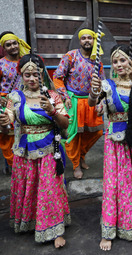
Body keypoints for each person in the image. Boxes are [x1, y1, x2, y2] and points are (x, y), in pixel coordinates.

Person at [0, 53, 70, 248]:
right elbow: (8, 122)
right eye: (27, 75)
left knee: (49, 190)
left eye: (35, 74)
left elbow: (65, 124)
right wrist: (5, 123)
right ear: (21, 75)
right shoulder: (15, 97)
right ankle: (32, 221)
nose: (31, 79)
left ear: (42, 74)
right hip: (24, 152)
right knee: (29, 188)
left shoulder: (52, 96)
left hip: (49, 149)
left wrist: (52, 111)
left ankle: (56, 229)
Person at [90, 44, 132, 251]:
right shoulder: (107, 85)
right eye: (115, 61)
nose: (119, 64)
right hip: (115, 143)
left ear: (131, 61)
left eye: (123, 60)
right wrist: (92, 92)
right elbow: (94, 104)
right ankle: (109, 229)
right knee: (116, 183)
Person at [53, 28, 105, 179]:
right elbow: (57, 77)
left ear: (94, 41)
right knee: (74, 134)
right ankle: (76, 164)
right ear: (80, 41)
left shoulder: (97, 61)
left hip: (90, 101)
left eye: (90, 38)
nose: (87, 40)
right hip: (73, 100)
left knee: (96, 131)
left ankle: (82, 154)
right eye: (84, 38)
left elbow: (102, 84)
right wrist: (64, 96)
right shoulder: (71, 56)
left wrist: (100, 101)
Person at [0, 31, 31, 174]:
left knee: (25, 134)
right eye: (8, 45)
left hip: (25, 103)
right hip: (6, 104)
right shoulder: (1, 64)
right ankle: (14, 168)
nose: (13, 46)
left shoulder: (25, 61)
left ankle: (25, 166)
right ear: (3, 48)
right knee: (7, 138)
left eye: (14, 43)